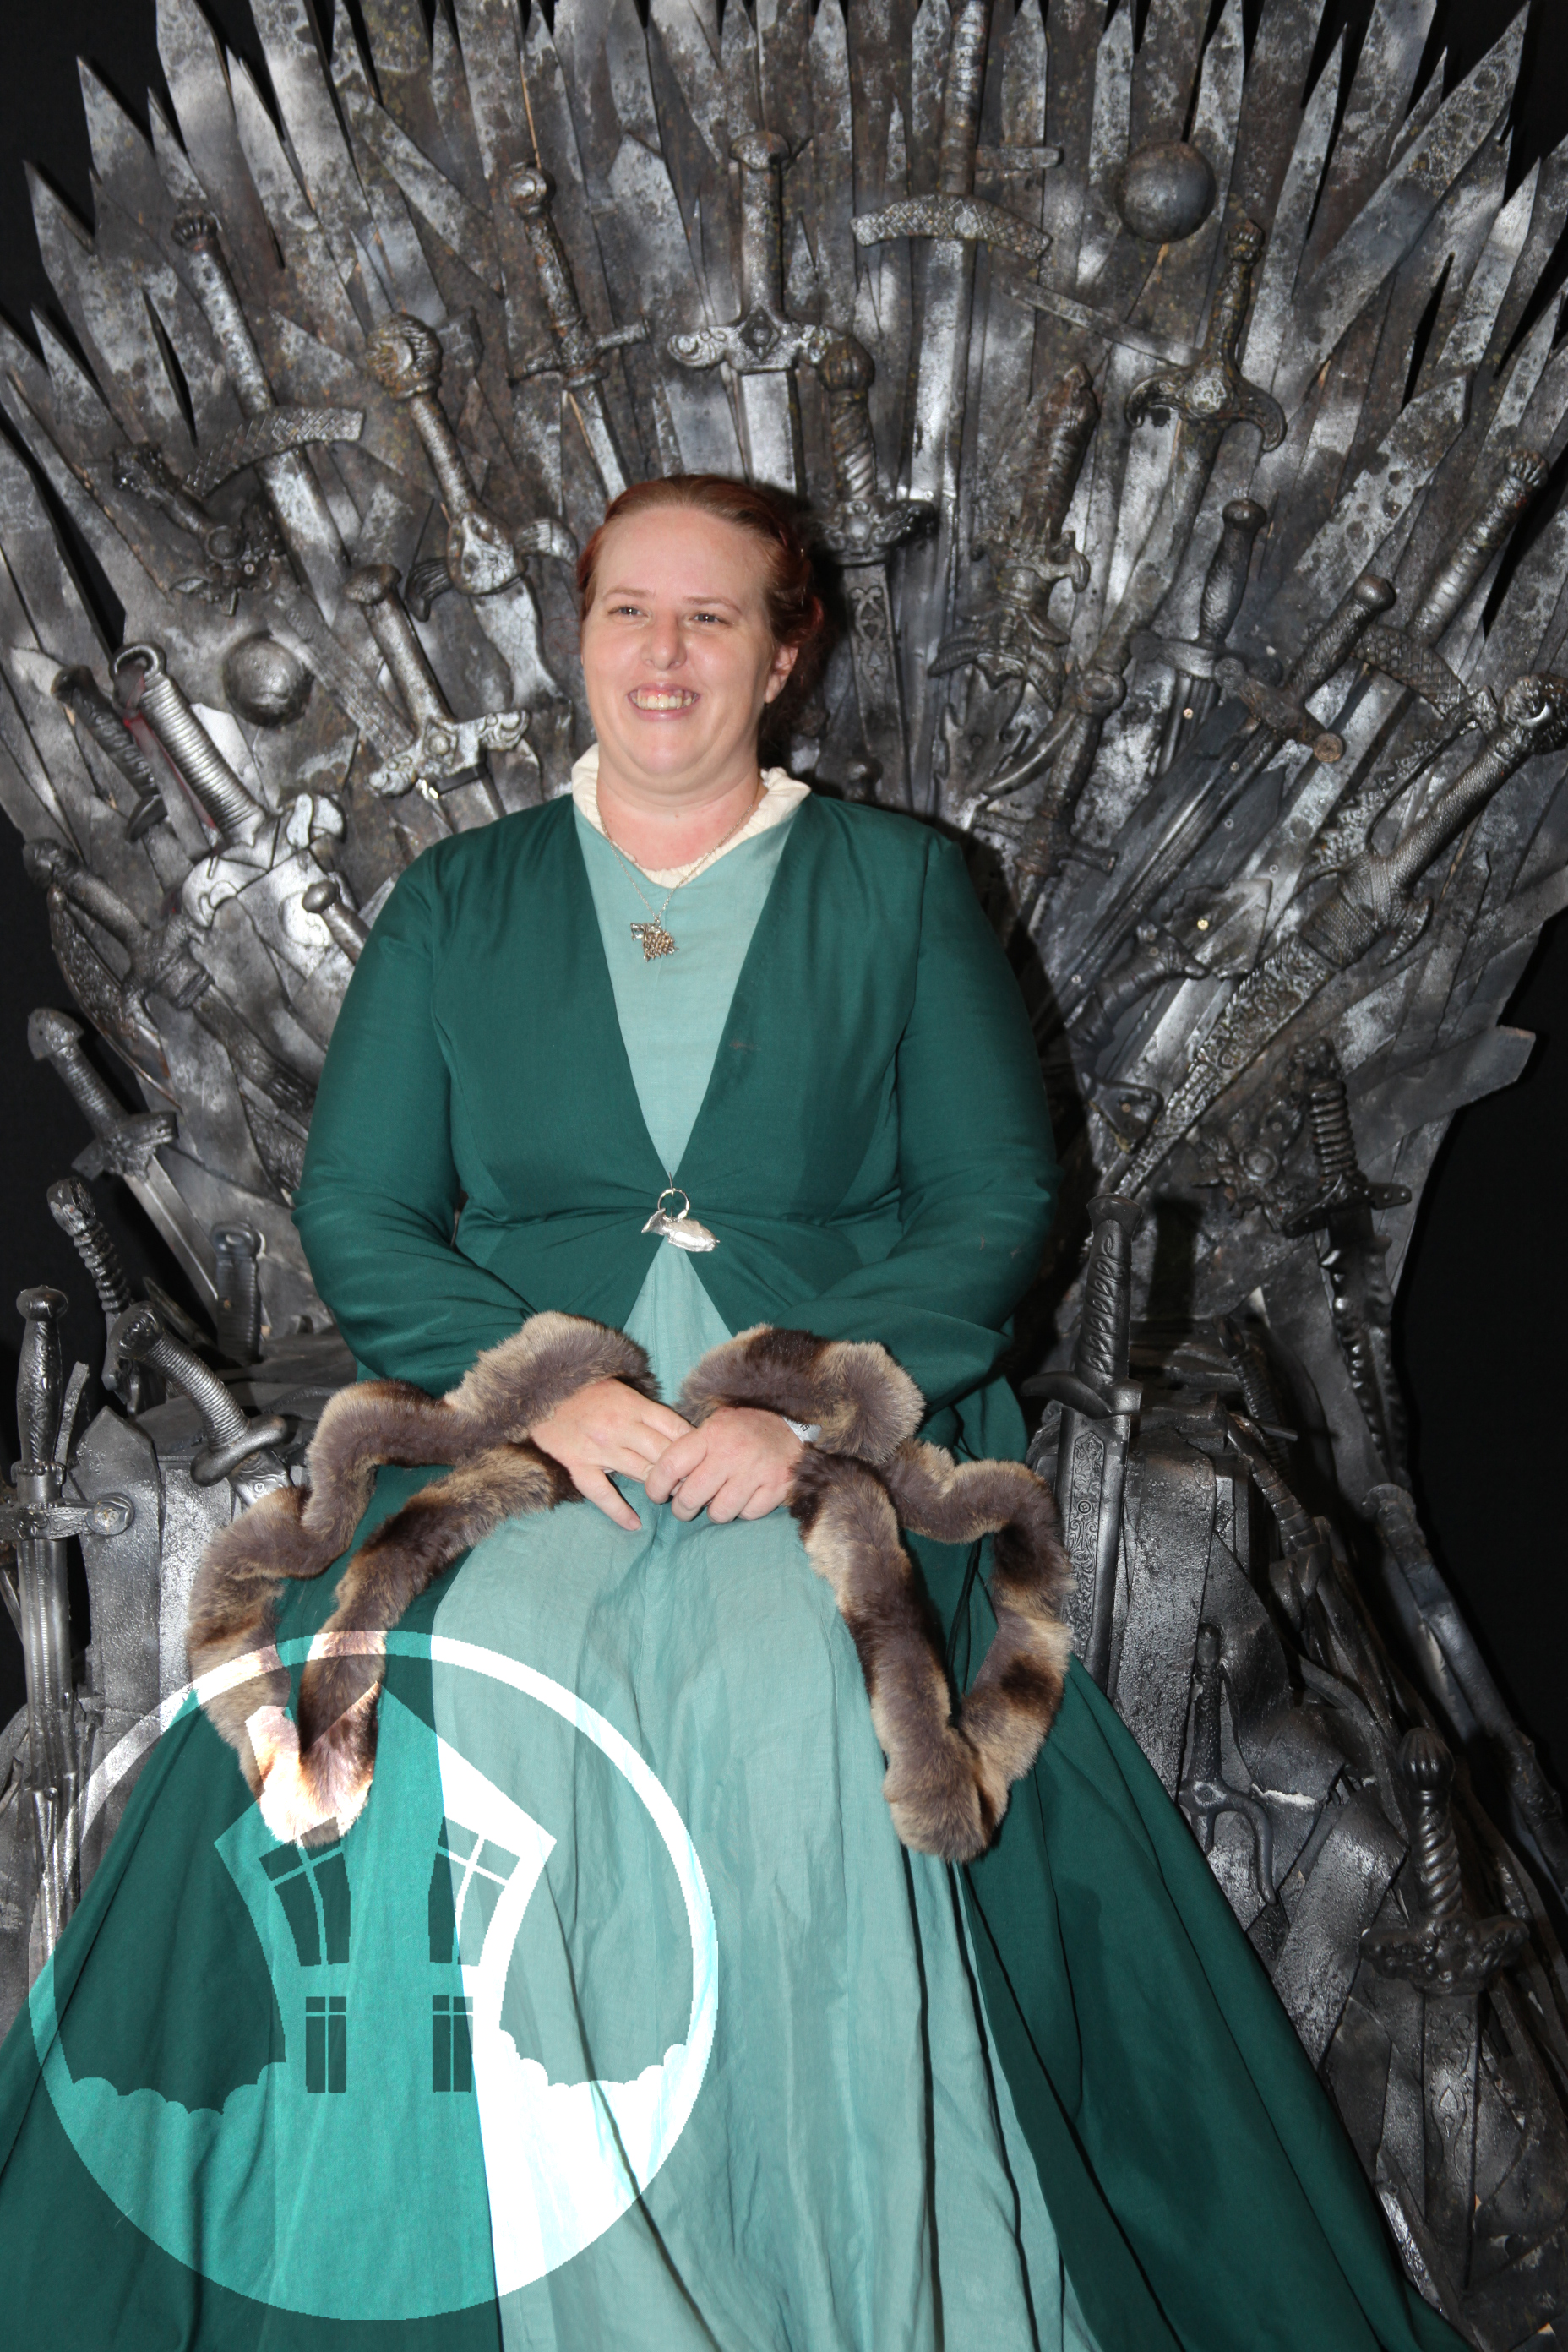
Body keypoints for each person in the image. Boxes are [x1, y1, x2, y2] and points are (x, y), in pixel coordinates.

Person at [0, 476, 1459, 2352]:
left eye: (710, 617)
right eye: (628, 611)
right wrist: (547, 1387)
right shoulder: (457, 902)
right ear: (580, 638)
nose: (663, 655)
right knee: (486, 1678)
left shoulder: (901, 888)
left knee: (800, 1692)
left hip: (825, 1433)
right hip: (525, 1429)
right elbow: (361, 1208)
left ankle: (826, 2284)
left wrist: (814, 1409)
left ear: (785, 654)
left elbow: (989, 1198)